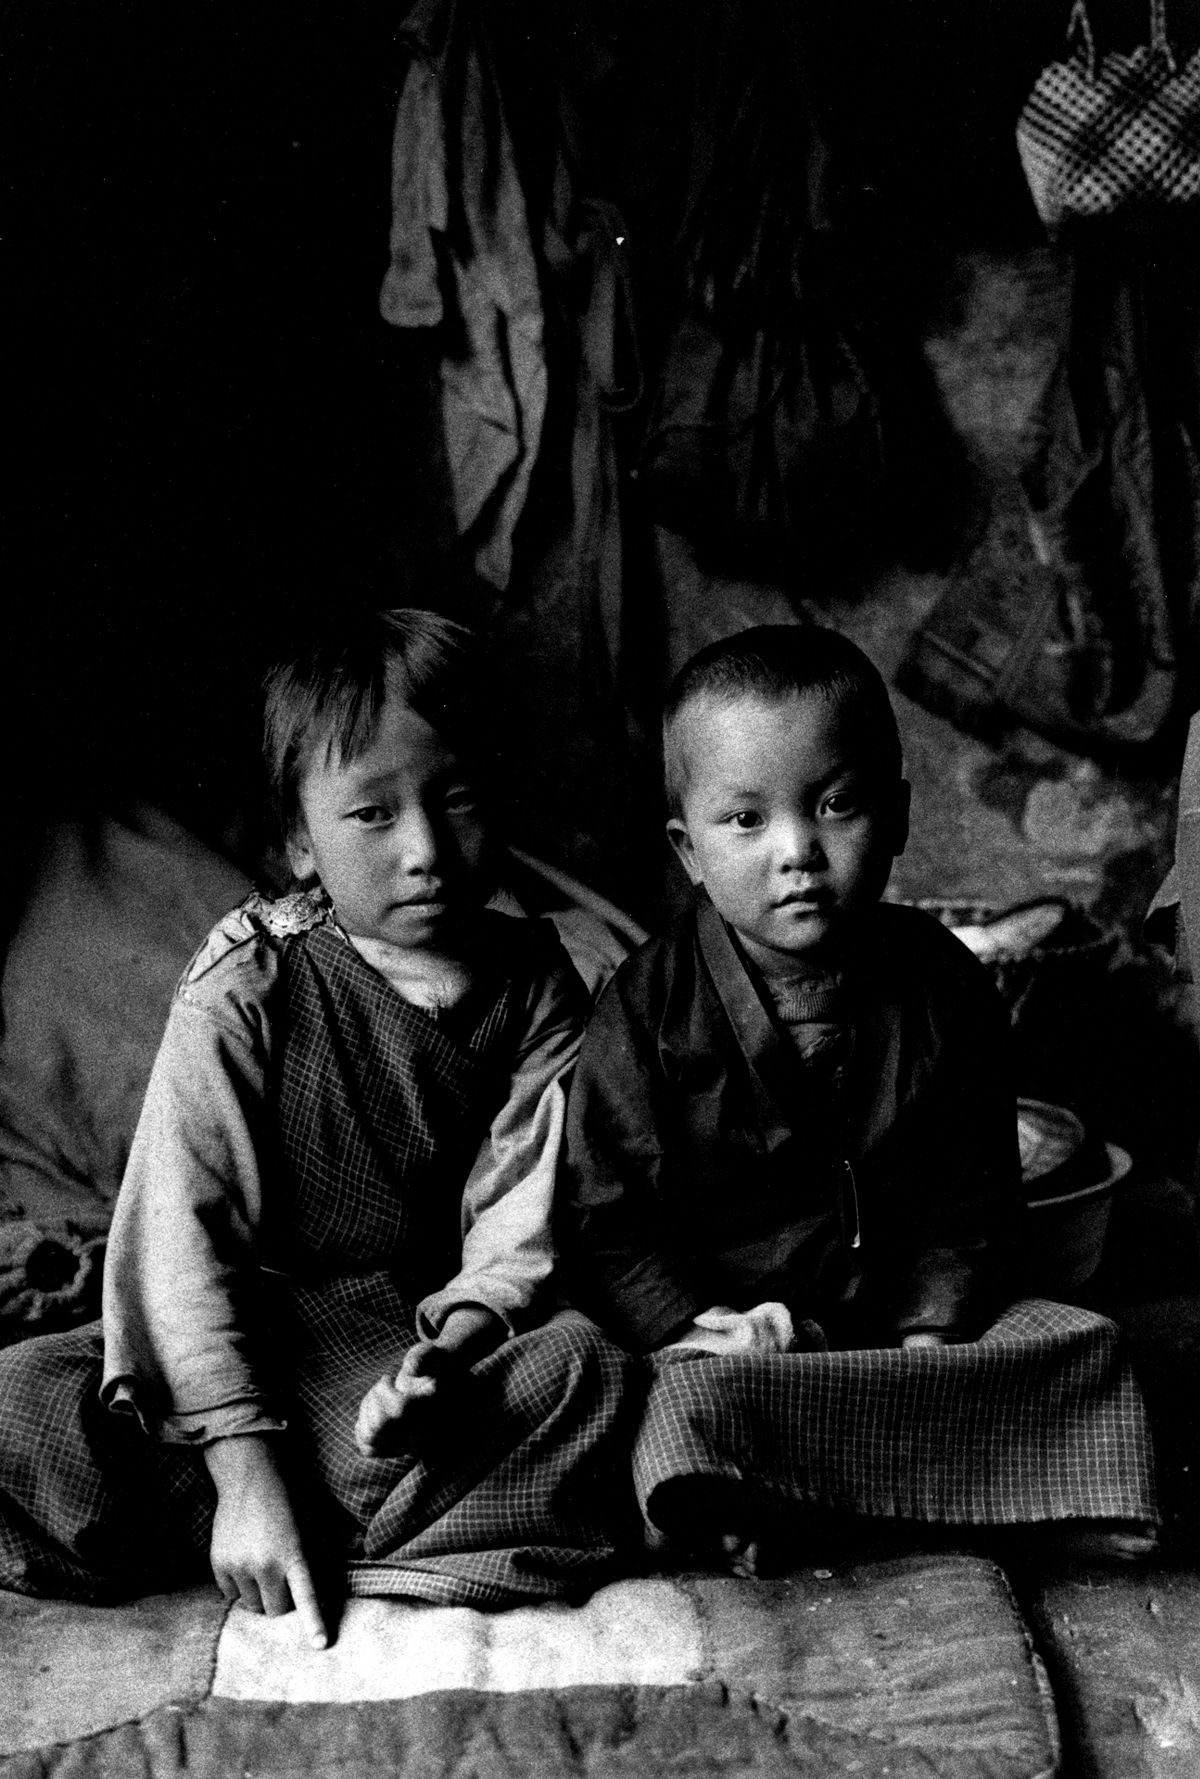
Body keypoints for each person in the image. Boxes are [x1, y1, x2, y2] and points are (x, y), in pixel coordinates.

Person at [0, 608, 638, 1643]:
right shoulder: (250, 979)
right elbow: (178, 1232)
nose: (426, 851)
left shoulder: (536, 989)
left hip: (407, 1350)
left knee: (582, 1379)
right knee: (19, 1403)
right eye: (373, 816)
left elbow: (521, 1214)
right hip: (249, 1341)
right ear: (300, 839)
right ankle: (282, 1514)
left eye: (458, 798)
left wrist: (453, 1352)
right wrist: (245, 1467)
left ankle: (304, 1515)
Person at [560, 623, 1158, 1575]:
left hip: (905, 1337)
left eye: (836, 804)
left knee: (1097, 1350)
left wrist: (930, 1325)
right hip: (739, 1352)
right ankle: (920, 1499)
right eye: (747, 821)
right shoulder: (644, 1005)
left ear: (899, 814)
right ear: (687, 849)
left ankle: (817, 1505)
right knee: (675, 1411)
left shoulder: (944, 985)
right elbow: (606, 1215)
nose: (799, 850)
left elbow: (975, 1192)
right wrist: (694, 1325)